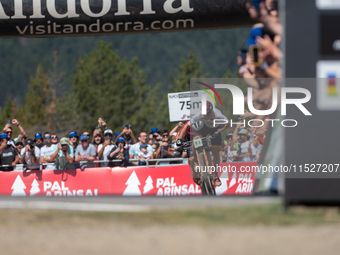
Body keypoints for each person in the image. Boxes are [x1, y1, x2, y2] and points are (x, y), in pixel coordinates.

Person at [179, 101, 230, 186]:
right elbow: (186, 125)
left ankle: (216, 176)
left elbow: (227, 123)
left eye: (208, 113)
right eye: (204, 114)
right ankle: (196, 158)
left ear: (211, 111)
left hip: (215, 129)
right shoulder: (199, 115)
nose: (206, 116)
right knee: (195, 140)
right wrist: (180, 138)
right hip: (204, 128)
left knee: (216, 153)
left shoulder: (217, 114)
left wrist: (219, 131)